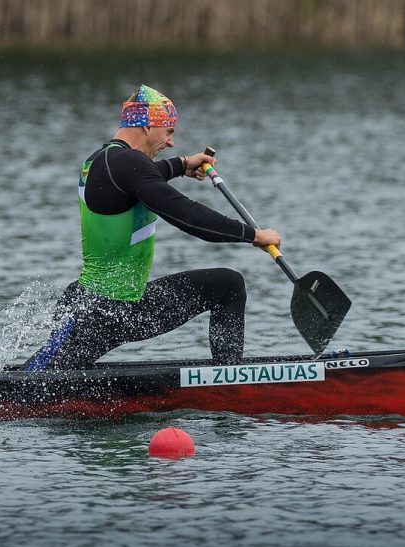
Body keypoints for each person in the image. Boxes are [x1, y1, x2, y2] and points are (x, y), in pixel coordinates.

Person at [25, 85, 281, 370]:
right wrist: (254, 235)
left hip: (95, 305)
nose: (170, 142)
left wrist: (183, 165)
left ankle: (230, 380)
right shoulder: (127, 163)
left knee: (228, 285)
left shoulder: (102, 160)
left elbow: (148, 176)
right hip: (110, 310)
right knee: (229, 286)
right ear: (146, 125)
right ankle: (231, 383)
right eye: (169, 131)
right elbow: (187, 215)